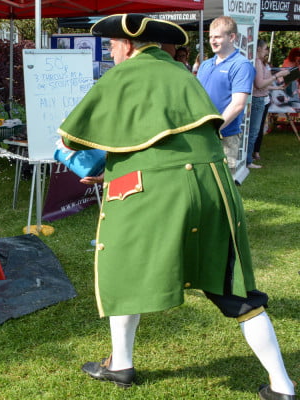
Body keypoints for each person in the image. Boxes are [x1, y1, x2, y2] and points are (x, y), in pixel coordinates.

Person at [57, 14, 295, 399]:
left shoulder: (123, 75)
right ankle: (282, 385)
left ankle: (121, 363)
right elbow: (169, 139)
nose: (112, 52)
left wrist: (91, 163)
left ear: (130, 45)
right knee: (234, 287)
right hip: (215, 186)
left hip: (153, 191)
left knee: (120, 265)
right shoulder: (184, 73)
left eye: (114, 45)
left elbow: (70, 143)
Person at [197, 16, 255, 175]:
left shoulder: (241, 65)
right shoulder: (205, 65)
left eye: (217, 37)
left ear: (232, 37)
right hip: (202, 134)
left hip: (225, 135)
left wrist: (215, 129)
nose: (212, 41)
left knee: (224, 184)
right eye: (210, 37)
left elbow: (238, 104)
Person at [247, 40, 289, 169]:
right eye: (266, 49)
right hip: (257, 99)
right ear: (258, 48)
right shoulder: (257, 62)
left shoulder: (260, 63)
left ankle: (249, 158)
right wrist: (277, 76)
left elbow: (263, 84)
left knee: (255, 131)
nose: (267, 52)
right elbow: (259, 85)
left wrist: (277, 88)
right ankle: (248, 160)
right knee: (253, 131)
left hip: (260, 99)